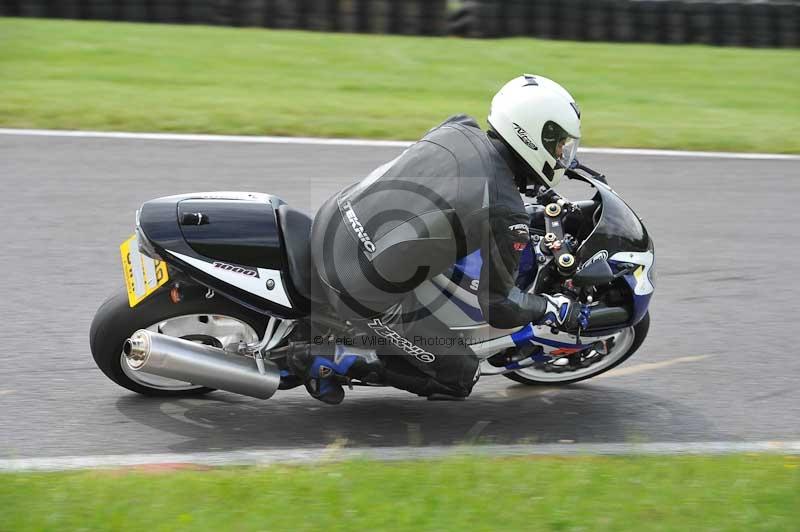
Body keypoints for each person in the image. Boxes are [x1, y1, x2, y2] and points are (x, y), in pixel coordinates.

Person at [291, 74, 586, 404]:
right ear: (532, 136)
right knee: (459, 375)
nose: (563, 155)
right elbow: (500, 309)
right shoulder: (506, 212)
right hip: (356, 286)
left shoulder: (458, 127)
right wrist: (552, 306)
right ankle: (332, 359)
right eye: (559, 145)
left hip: (334, 220)